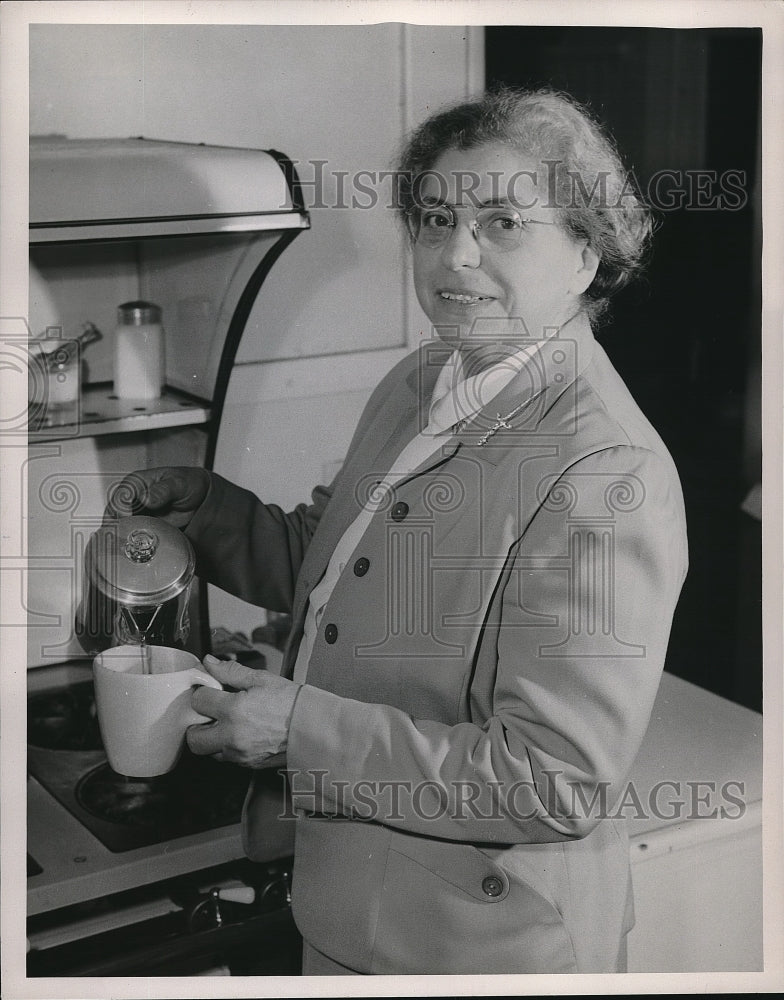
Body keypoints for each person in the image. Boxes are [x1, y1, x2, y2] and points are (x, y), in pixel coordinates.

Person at [108, 88, 688, 975]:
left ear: (584, 252)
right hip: (353, 910)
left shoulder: (604, 471)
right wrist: (212, 511)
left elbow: (554, 778)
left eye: (502, 223)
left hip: (477, 947)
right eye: (434, 218)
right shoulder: (426, 380)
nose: (456, 254)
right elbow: (341, 563)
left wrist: (300, 728)